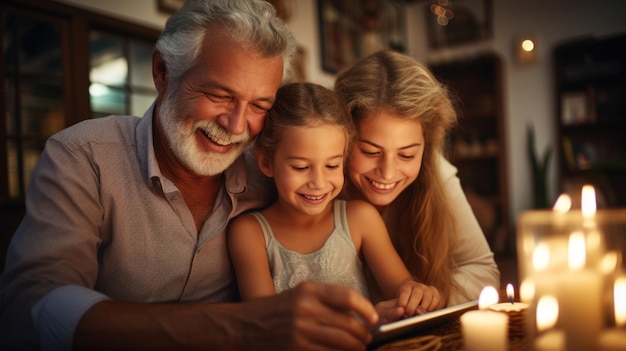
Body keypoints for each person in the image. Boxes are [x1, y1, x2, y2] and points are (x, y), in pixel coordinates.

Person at [0, 1, 380, 350]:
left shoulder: (271, 175)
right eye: (219, 94)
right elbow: (32, 306)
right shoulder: (84, 157)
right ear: (162, 72)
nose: (236, 125)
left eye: (258, 105)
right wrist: (242, 325)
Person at [228, 82, 441, 318]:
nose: (318, 182)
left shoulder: (360, 218)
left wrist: (416, 293)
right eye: (301, 167)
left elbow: (401, 286)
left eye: (332, 165)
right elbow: (265, 324)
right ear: (266, 162)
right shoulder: (249, 233)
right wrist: (369, 320)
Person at [334, 50, 500, 308]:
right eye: (370, 151)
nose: (388, 173)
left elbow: (483, 271)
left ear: (426, 146)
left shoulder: (435, 171)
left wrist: (434, 297)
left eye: (407, 154)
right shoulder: (317, 178)